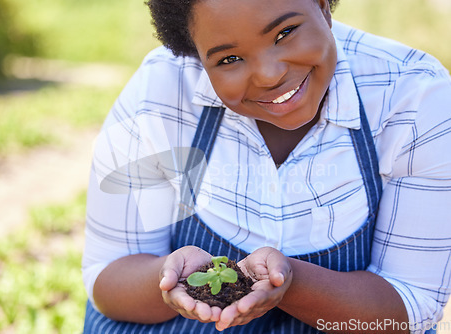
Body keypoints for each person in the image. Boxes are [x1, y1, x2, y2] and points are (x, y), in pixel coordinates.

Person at [81, 0, 451, 333]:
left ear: (323, 6)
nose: (270, 75)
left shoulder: (412, 97)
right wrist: (169, 279)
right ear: (196, 55)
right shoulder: (161, 90)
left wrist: (290, 282)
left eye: (285, 32)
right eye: (228, 59)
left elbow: (409, 307)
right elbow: (108, 279)